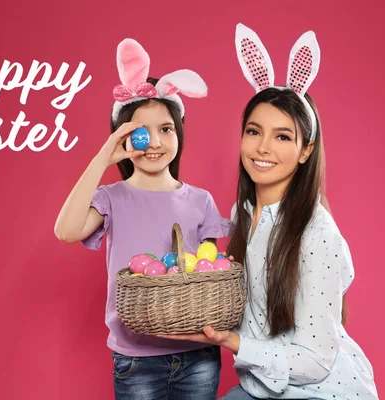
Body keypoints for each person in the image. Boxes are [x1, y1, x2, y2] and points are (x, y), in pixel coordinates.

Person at [158, 24, 379, 400]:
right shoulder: (242, 212)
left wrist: (234, 342)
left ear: (305, 150)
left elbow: (314, 362)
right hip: (260, 389)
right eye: (253, 131)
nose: (262, 148)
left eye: (282, 136)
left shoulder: (315, 232)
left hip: (324, 393)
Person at [54, 37, 232, 400]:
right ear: (123, 137)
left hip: (196, 355)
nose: (154, 142)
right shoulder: (111, 198)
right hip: (136, 359)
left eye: (165, 129)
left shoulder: (200, 201)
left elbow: (206, 273)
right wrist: (104, 158)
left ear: (178, 132)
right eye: (140, 132)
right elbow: (66, 230)